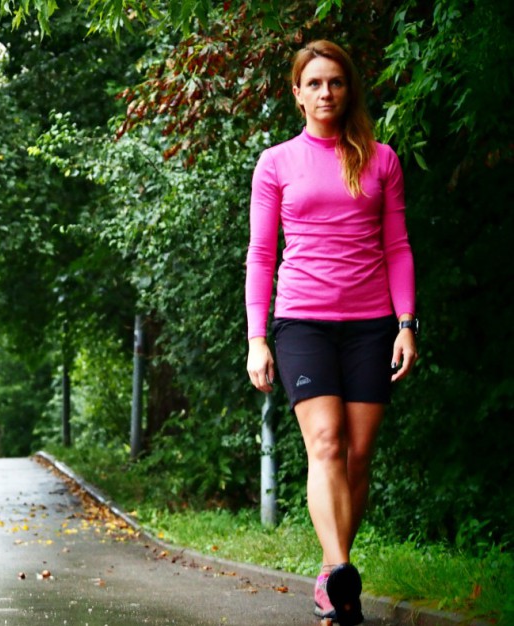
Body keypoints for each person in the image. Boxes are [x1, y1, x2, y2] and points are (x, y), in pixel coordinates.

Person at [244, 40, 418, 626]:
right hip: (302, 322)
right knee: (324, 443)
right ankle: (343, 573)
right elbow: (262, 253)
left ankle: (327, 574)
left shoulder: (382, 159)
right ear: (296, 93)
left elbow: (397, 246)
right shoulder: (276, 163)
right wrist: (256, 337)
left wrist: (406, 324)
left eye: (335, 82)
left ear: (349, 90)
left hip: (371, 324)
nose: (325, 93)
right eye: (313, 83)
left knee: (357, 455)